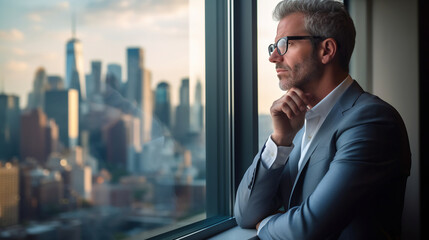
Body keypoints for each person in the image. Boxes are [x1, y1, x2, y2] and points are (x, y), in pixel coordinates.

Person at [234, 0, 411, 239]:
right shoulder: (296, 124)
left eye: (285, 44)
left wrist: (266, 224)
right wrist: (280, 140)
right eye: (273, 47)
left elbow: (308, 229)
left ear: (326, 50)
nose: (273, 57)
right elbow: (245, 214)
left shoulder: (373, 121)